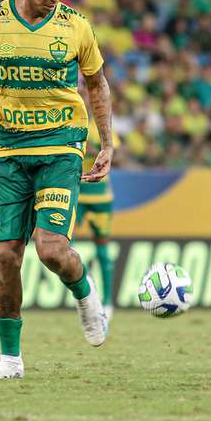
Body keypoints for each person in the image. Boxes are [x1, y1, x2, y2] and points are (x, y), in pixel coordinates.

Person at [0, 0, 114, 380]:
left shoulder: (77, 27)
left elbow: (97, 86)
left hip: (61, 145)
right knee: (5, 256)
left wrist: (107, 144)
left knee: (51, 249)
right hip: (9, 149)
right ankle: (11, 361)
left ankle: (86, 294)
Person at [76, 121, 121, 323]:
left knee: (102, 247)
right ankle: (85, 285)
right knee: (62, 243)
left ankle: (108, 302)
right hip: (76, 191)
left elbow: (117, 155)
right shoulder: (71, 118)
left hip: (101, 195)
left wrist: (100, 152)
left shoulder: (103, 126)